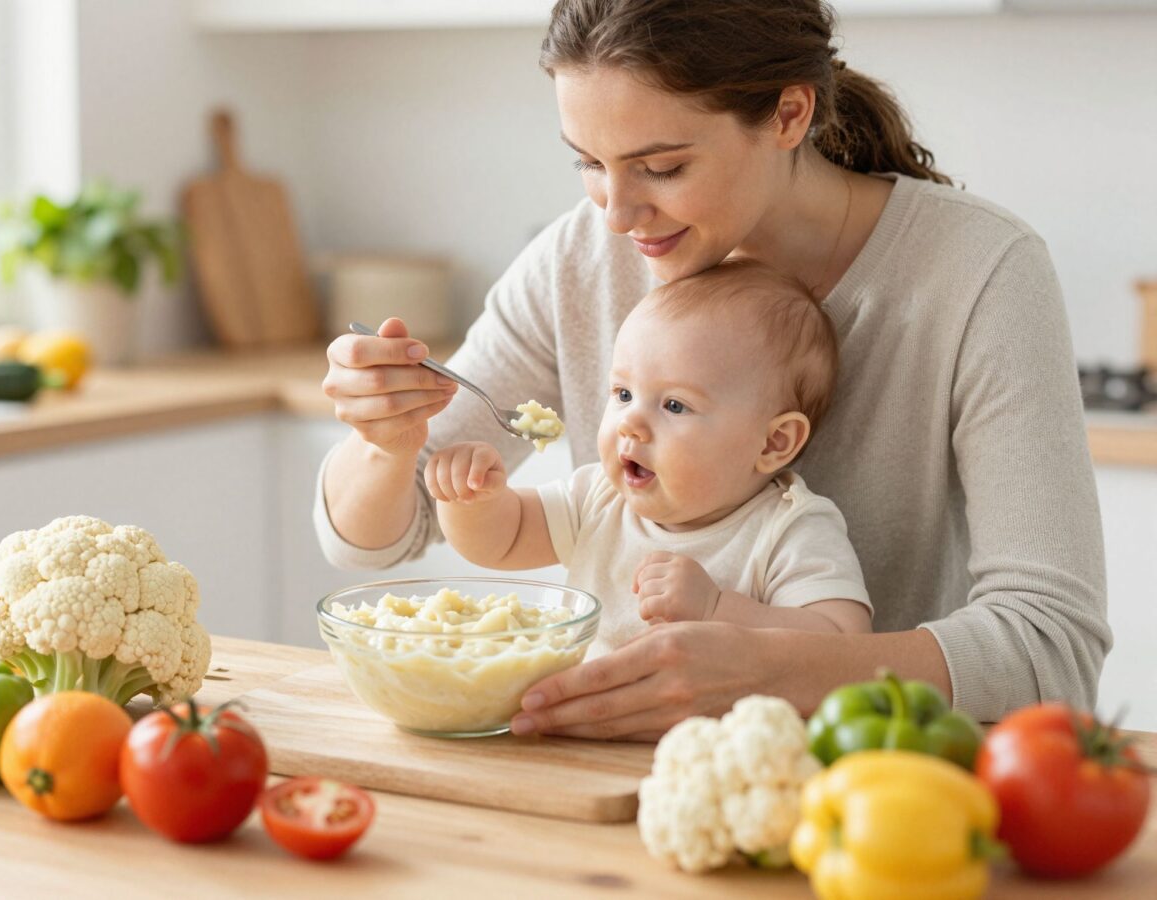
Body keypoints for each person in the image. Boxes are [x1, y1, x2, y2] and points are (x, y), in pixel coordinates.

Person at [316, 0, 1109, 741]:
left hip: (884, 787)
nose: (616, 214)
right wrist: (384, 442)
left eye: (660, 167)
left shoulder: (977, 270)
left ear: (789, 115)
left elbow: (1049, 649)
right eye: (588, 163)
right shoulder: (581, 258)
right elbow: (377, 539)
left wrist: (769, 665)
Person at [424, 260, 872, 650]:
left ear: (774, 442)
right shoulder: (598, 498)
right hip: (576, 729)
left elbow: (843, 643)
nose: (629, 423)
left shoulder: (789, 530)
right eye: (622, 393)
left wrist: (717, 608)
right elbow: (502, 539)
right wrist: (470, 498)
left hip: (702, 742)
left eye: (674, 405)